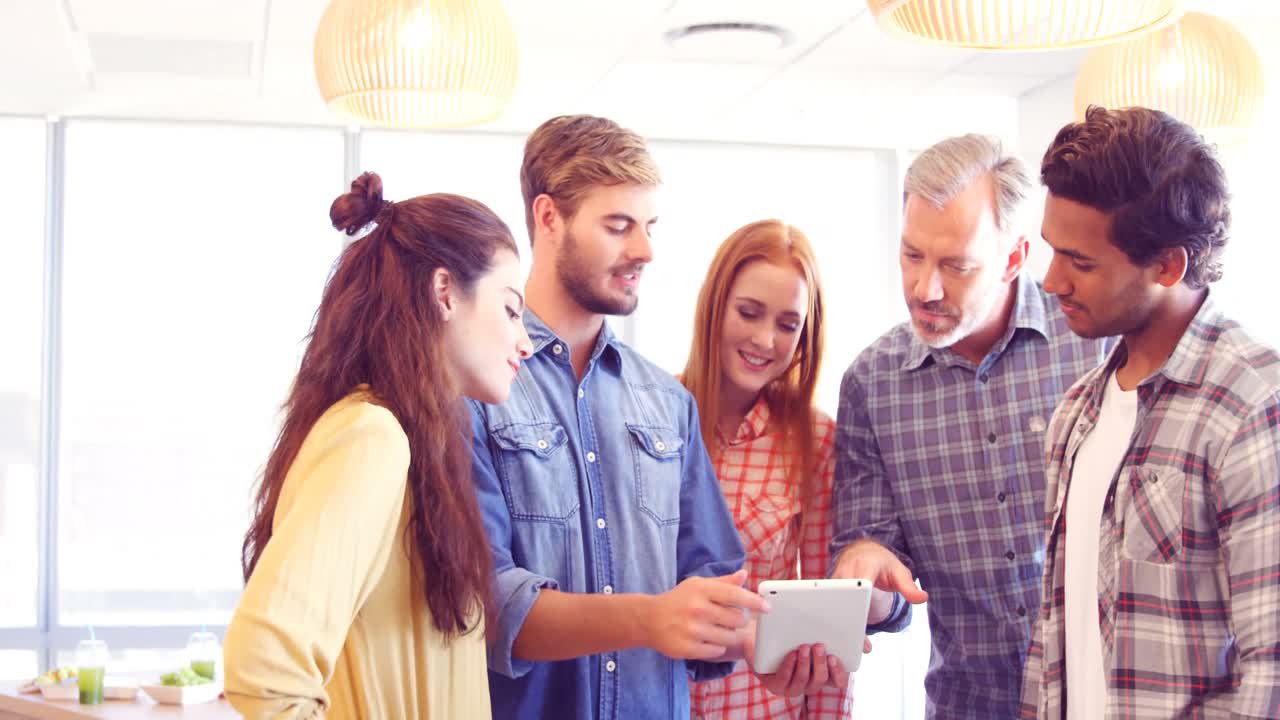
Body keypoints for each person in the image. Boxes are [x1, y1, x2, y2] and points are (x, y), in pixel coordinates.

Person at [469, 114, 770, 719]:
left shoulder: (666, 402)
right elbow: (487, 605)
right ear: (548, 218)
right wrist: (650, 618)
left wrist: (769, 644)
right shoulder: (474, 389)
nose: (645, 251)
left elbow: (715, 587)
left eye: (650, 226)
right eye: (619, 226)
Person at [223, 173, 532, 719]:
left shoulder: (414, 441)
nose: (525, 342)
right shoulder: (373, 437)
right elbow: (265, 671)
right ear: (444, 293)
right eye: (511, 309)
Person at [828, 134, 1110, 718]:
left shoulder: (1097, 345)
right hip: (968, 704)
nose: (924, 289)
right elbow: (886, 587)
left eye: (956, 266)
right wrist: (866, 573)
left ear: (1013, 258)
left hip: (1109, 701)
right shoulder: (871, 384)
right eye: (912, 256)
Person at [1022, 105, 1280, 719]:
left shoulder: (1251, 407)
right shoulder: (1075, 415)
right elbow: (1055, 638)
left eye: (1080, 262)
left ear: (1168, 265)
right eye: (1052, 251)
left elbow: (1271, 675)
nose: (1051, 281)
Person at [682, 220, 853, 718]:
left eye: (787, 324)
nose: (764, 339)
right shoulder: (653, 415)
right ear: (715, 306)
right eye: (749, 312)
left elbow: (829, 628)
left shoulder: (816, 440)